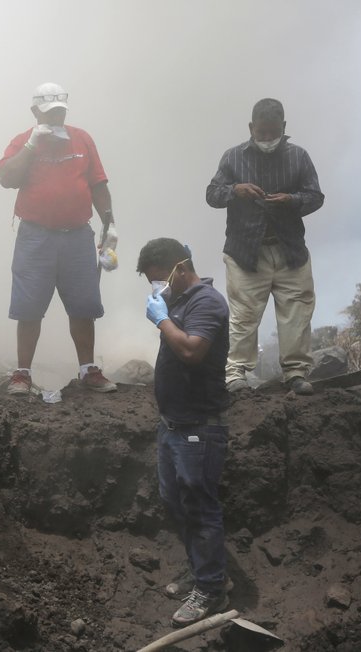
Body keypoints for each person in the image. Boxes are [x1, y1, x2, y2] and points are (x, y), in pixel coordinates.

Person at [0, 82, 117, 395]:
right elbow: (6, 179)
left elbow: (98, 184)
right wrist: (31, 146)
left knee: (83, 304)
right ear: (35, 111)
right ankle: (22, 374)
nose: (55, 119)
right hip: (36, 235)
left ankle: (88, 368)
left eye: (60, 112)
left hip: (77, 234)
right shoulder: (23, 141)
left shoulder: (82, 139)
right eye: (49, 113)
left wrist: (109, 224)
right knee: (29, 305)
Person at [137, 237, 231, 627]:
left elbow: (192, 351)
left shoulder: (207, 303)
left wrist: (162, 319)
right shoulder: (178, 302)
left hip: (199, 427)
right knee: (173, 500)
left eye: (160, 279)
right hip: (172, 425)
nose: (157, 288)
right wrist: (166, 312)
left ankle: (210, 589)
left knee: (200, 507)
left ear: (179, 268)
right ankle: (201, 573)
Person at [206, 98, 324, 395]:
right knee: (244, 314)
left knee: (296, 311)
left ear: (284, 127)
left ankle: (296, 373)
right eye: (262, 133)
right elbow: (212, 194)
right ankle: (236, 375)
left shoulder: (299, 157)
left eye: (274, 132)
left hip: (290, 250)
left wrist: (291, 200)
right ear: (251, 128)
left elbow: (315, 196)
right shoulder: (233, 158)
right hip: (245, 252)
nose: (268, 138)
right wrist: (236, 190)